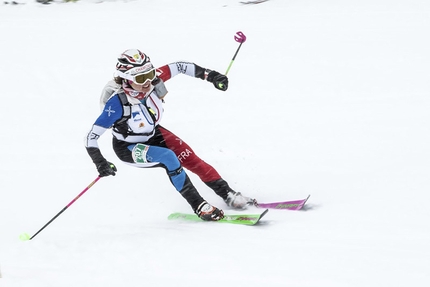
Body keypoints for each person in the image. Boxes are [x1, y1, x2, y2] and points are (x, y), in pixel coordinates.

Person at [85, 49, 255, 221]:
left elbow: (180, 66)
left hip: (154, 134)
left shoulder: (152, 81)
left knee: (191, 159)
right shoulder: (116, 104)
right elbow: (91, 137)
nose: (148, 82)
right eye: (141, 79)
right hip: (128, 147)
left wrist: (212, 76)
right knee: (169, 157)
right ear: (126, 79)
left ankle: (229, 195)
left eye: (150, 74)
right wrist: (100, 162)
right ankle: (200, 206)